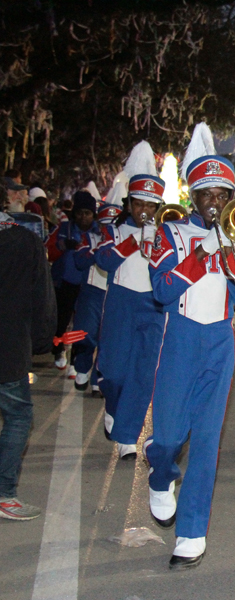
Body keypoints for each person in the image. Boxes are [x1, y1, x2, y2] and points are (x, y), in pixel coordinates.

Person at [145, 123, 235, 568]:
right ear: (193, 196)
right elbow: (161, 290)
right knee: (170, 434)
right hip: (181, 339)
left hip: (220, 342)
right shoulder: (170, 234)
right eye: (207, 194)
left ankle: (192, 531)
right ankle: (161, 473)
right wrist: (202, 257)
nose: (215, 202)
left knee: (208, 441)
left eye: (222, 194)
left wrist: (233, 262)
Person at [93, 142, 166, 459]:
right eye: (138, 204)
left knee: (143, 374)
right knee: (114, 372)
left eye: (151, 206)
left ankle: (127, 437)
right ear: (130, 203)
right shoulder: (115, 230)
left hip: (153, 307)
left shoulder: (166, 234)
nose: (144, 211)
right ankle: (112, 404)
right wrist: (133, 243)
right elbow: (104, 262)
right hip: (121, 305)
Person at [0, 201, 56, 520]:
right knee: (19, 417)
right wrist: (41, 341)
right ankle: (4, 494)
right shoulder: (25, 240)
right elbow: (42, 298)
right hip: (8, 349)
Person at [71, 202, 122, 392]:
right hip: (92, 292)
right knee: (86, 334)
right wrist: (98, 250)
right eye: (104, 225)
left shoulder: (122, 240)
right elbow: (79, 261)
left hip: (113, 293)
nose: (106, 229)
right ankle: (82, 368)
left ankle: (97, 379)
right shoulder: (88, 238)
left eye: (111, 225)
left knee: (107, 338)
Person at [46, 191, 99, 371]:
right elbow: (48, 251)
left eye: (88, 213)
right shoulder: (64, 228)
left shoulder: (98, 231)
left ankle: (76, 360)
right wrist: (62, 246)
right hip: (65, 282)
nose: (83, 217)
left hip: (87, 284)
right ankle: (58, 349)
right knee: (61, 320)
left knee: (82, 325)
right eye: (80, 213)